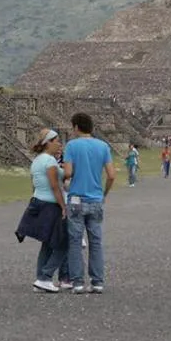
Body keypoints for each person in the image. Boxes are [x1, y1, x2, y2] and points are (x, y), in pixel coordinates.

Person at [63, 113, 115, 294]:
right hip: (95, 199)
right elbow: (111, 175)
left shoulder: (71, 145)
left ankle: (77, 282)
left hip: (76, 199)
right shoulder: (103, 146)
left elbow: (68, 173)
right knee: (96, 242)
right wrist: (104, 193)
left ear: (76, 127)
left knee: (75, 242)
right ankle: (97, 282)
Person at [26, 128, 68, 293]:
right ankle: (45, 276)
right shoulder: (49, 162)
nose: (59, 144)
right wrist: (63, 207)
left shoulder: (37, 160)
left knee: (47, 244)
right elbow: (54, 186)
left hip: (39, 201)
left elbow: (35, 184)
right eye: (56, 140)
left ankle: (40, 279)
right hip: (50, 205)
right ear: (48, 143)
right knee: (64, 243)